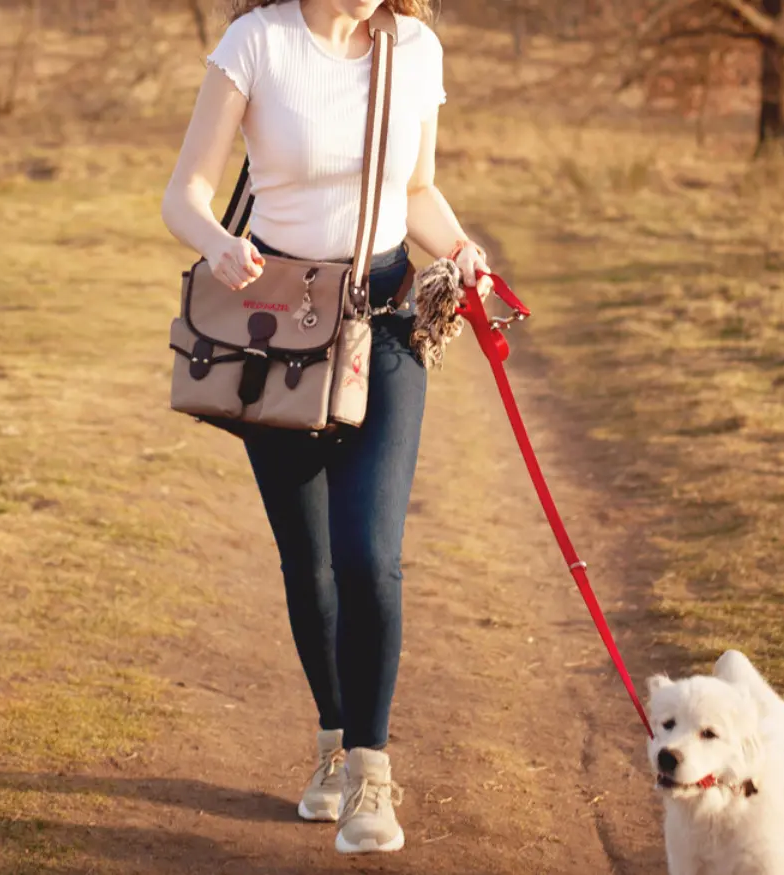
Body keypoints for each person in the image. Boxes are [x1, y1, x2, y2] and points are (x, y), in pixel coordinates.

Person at [160, 0, 490, 856]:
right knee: (308, 562)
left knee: (369, 551)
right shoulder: (257, 43)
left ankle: (371, 773)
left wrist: (460, 250)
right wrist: (217, 245)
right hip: (277, 331)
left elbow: (415, 190)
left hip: (382, 325)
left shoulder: (415, 48)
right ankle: (333, 742)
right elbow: (185, 194)